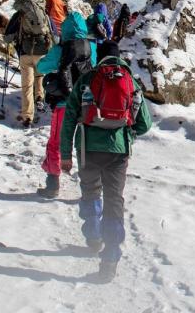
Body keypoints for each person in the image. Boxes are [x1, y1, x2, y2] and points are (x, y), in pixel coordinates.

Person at [61, 40, 152, 282]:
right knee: (114, 201)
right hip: (119, 152)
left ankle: (93, 237)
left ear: (99, 58)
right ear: (118, 57)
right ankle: (110, 260)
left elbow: (69, 117)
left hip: (87, 148)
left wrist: (65, 154)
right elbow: (145, 124)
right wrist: (126, 131)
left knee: (90, 191)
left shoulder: (87, 80)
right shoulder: (130, 81)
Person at [35, 12, 96, 198]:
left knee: (56, 142)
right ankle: (91, 188)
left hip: (64, 104)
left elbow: (41, 67)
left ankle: (52, 184)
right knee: (87, 145)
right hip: (86, 104)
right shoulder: (91, 47)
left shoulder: (60, 49)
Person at [3, 0, 53, 127]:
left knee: (27, 85)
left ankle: (27, 116)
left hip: (25, 52)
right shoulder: (43, 13)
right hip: (42, 51)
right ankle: (39, 97)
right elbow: (53, 32)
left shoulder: (19, 14)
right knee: (40, 75)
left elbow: (7, 37)